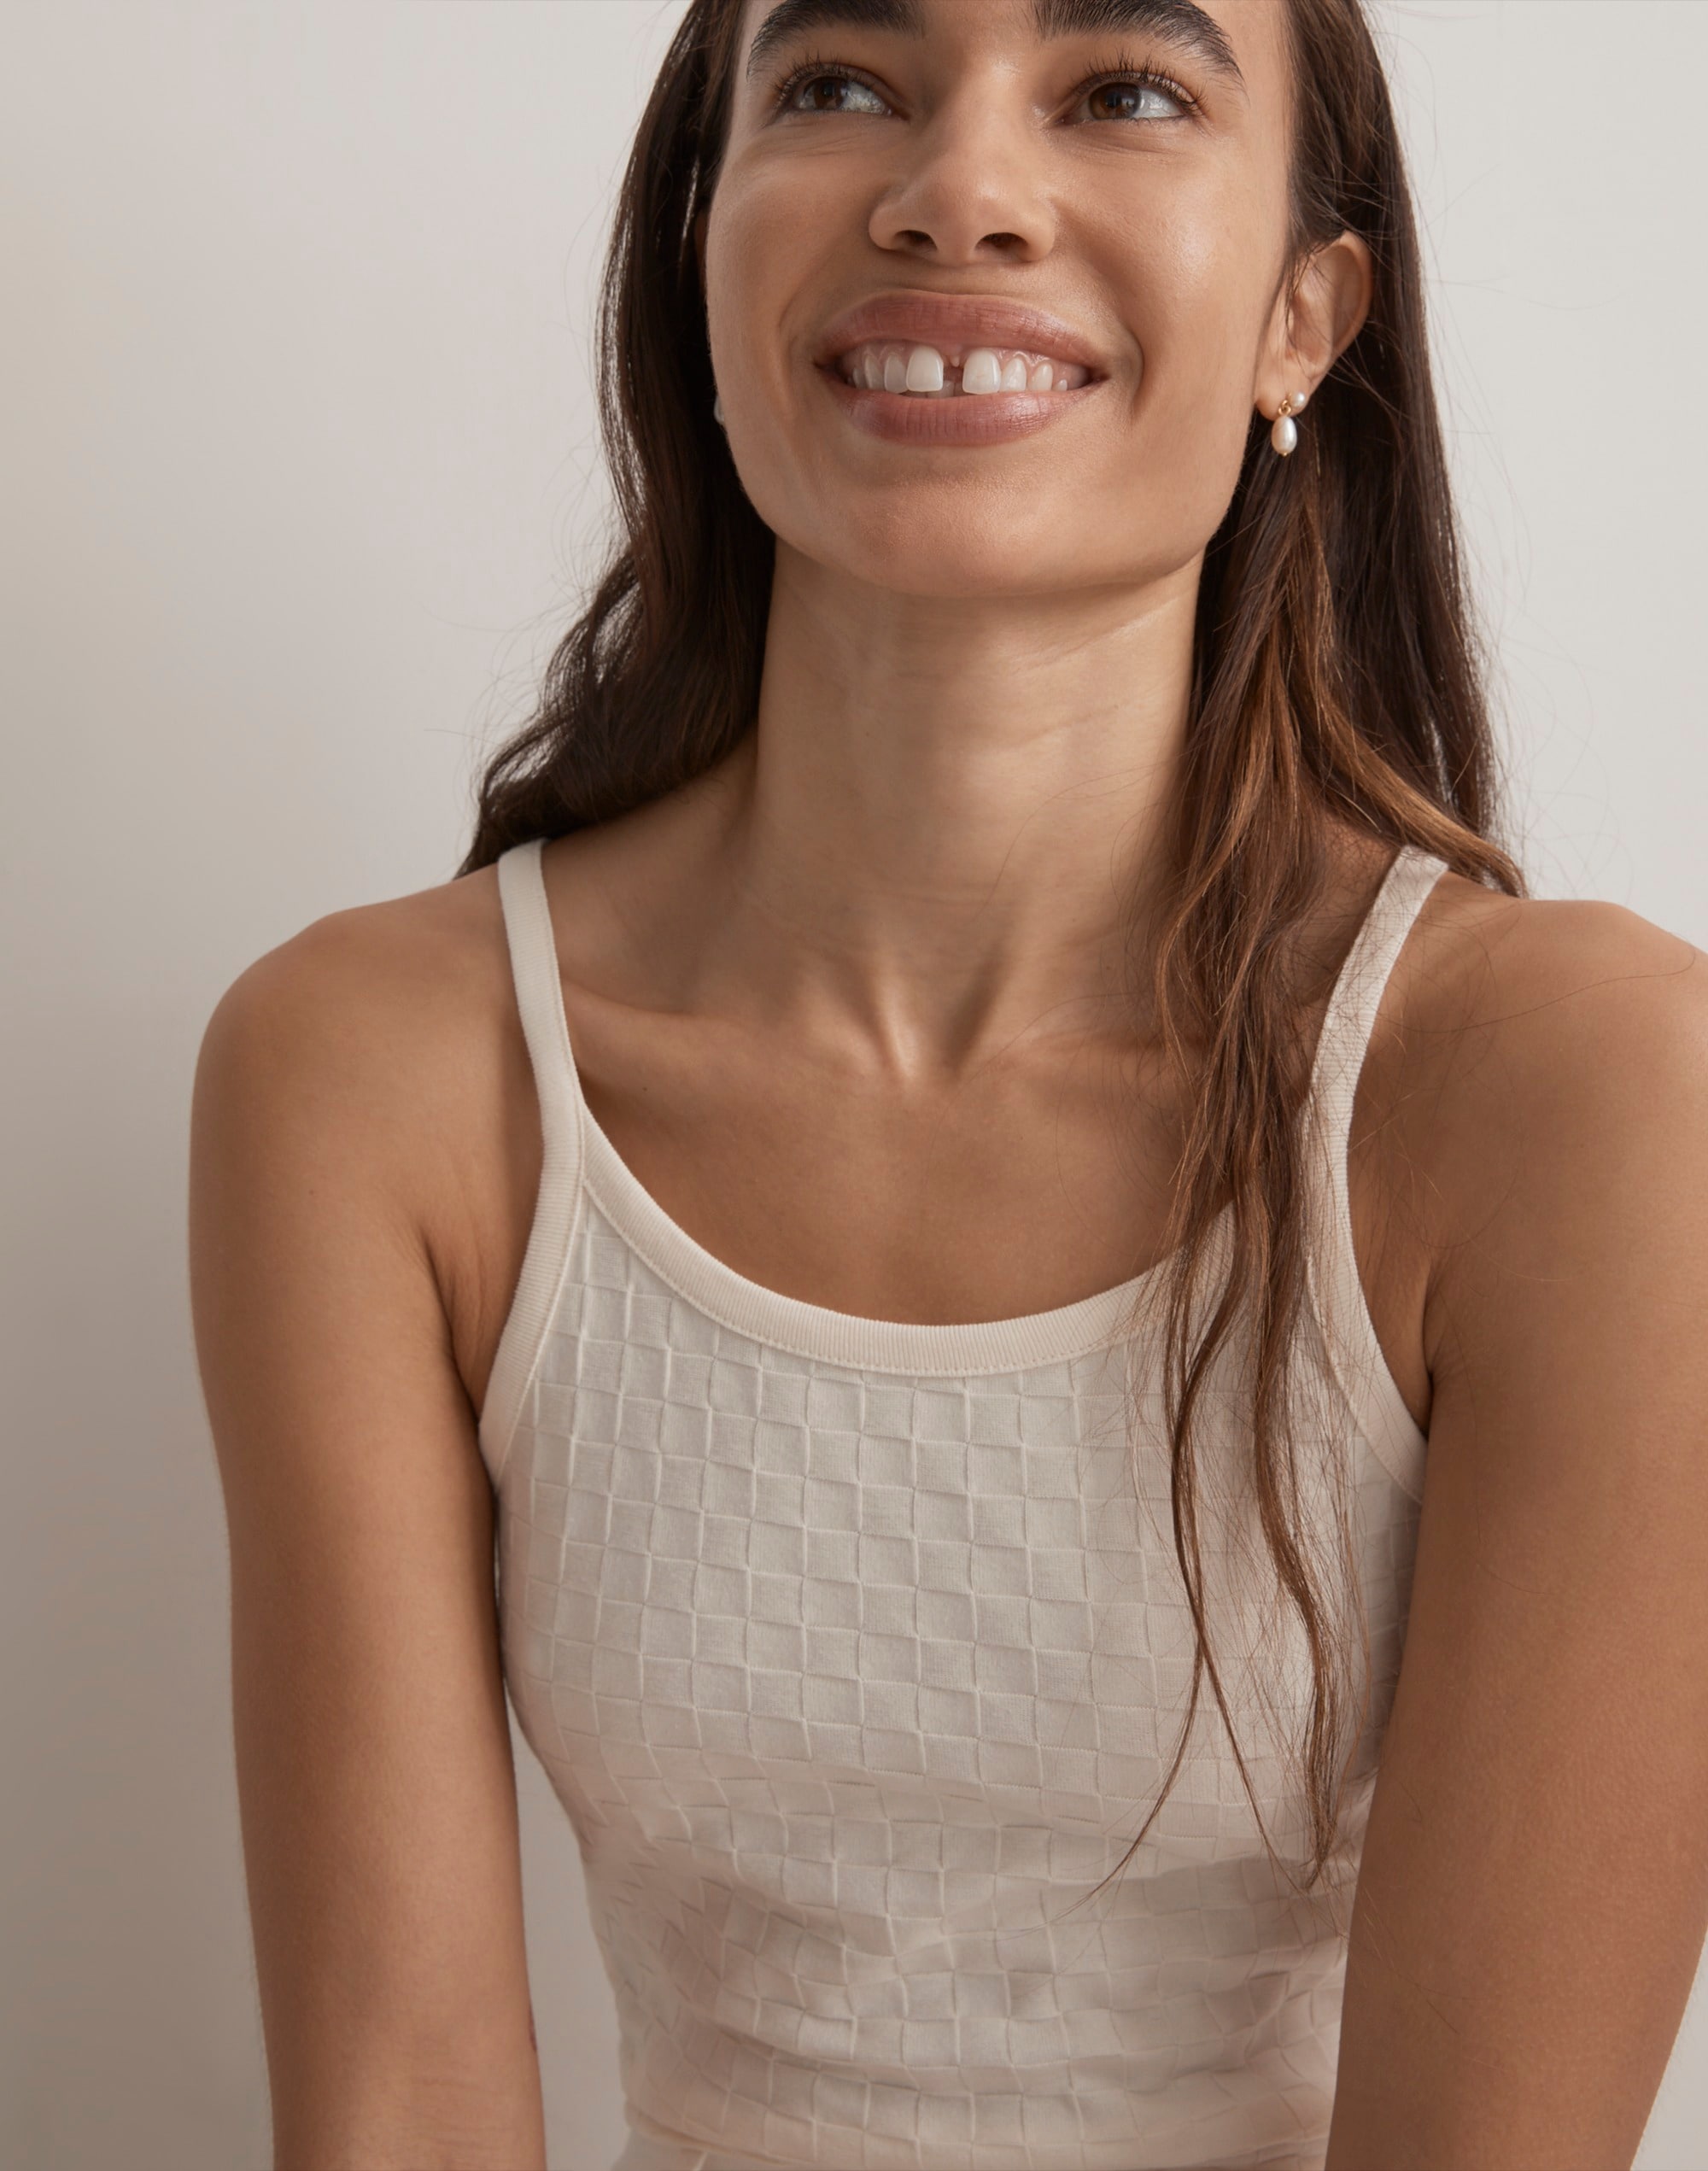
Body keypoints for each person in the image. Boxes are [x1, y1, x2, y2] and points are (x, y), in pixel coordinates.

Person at [188, 2, 1708, 2167]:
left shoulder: (1574, 1090)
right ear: (704, 265)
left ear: (1304, 317)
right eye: (837, 87)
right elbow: (400, 2103)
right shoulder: (377, 1074)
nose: (956, 190)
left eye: (1124, 92)